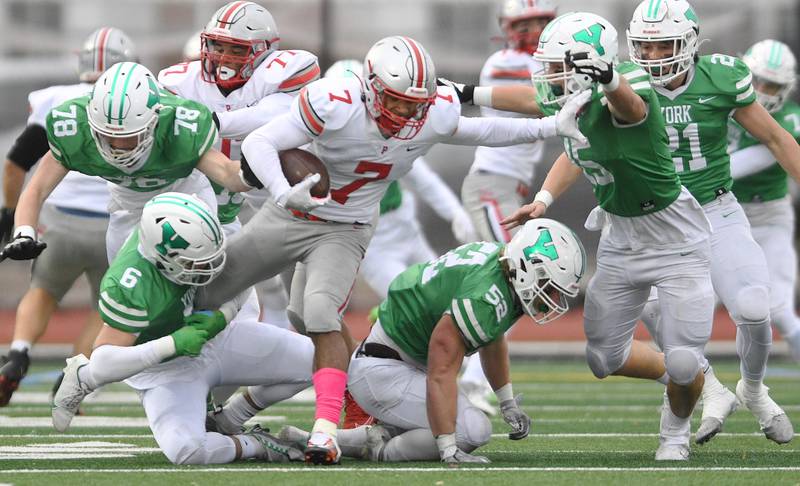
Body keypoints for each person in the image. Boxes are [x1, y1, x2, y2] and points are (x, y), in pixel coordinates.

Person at [194, 35, 588, 464]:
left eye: (414, 105)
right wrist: (283, 192)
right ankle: (205, 397)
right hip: (294, 210)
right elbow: (257, 143)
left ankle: (325, 429)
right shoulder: (334, 100)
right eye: (397, 102)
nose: (405, 114)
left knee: (321, 314)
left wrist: (550, 127)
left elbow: (483, 129)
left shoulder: (430, 112)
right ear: (370, 88)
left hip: (349, 225)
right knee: (224, 294)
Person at [447, 11, 718, 459]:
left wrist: (611, 80)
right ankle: (688, 378)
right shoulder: (573, 97)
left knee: (684, 357)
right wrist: (467, 93)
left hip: (676, 238)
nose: (549, 77)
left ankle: (674, 433)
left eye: (558, 68)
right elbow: (542, 112)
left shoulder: (630, 84)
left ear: (592, 65)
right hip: (621, 235)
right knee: (602, 359)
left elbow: (631, 107)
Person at [216, 218, 585, 463]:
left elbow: (493, 340)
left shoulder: (499, 266)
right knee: (474, 430)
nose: (548, 297)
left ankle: (326, 438)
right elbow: (442, 371)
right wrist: (448, 448)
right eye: (546, 284)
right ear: (524, 266)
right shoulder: (483, 293)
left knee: (456, 417)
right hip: (387, 368)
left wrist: (506, 401)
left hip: (397, 360)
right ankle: (383, 452)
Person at [626, 0, 799, 445]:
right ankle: (704, 402)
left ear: (687, 43)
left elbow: (777, 138)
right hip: (655, 217)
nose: (651, 58)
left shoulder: (721, 77)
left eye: (662, 45)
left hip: (715, 208)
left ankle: (754, 391)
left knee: (757, 309)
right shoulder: (622, 85)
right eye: (644, 48)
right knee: (655, 315)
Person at [51, 192, 313, 465]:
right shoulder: (132, 283)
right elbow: (104, 361)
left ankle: (229, 418)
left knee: (323, 362)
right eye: (194, 265)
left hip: (217, 340)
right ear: (163, 258)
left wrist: (223, 315)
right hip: (165, 370)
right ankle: (256, 445)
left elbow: (242, 280)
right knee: (186, 450)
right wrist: (173, 344)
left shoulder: (201, 241)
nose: (208, 270)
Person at [0, 27, 136, 406]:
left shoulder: (56, 101)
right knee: (105, 308)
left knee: (42, 290)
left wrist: (11, 215)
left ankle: (18, 354)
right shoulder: (138, 99)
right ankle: (74, 373)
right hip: (116, 224)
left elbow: (15, 165)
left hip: (61, 221)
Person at [1, 61, 250, 265]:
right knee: (129, 297)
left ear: (155, 121)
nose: (118, 146)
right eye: (108, 135)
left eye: (129, 136)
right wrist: (24, 231)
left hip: (184, 199)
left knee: (199, 290)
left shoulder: (177, 127)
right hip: (127, 208)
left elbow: (229, 174)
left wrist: (268, 170)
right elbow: (36, 190)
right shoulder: (76, 130)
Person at [460, 0, 557, 413]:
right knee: (516, 279)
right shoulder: (504, 62)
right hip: (490, 189)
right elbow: (543, 100)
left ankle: (463, 373)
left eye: (540, 21)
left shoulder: (545, 63)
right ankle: (469, 380)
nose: (533, 29)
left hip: (509, 193)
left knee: (494, 283)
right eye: (525, 22)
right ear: (508, 27)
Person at [728, 39, 800, 361]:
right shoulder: (721, 104)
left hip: (771, 218)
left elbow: (740, 165)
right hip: (728, 216)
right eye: (757, 80)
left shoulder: (789, 120)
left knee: (780, 309)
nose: (762, 90)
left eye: (772, 85)